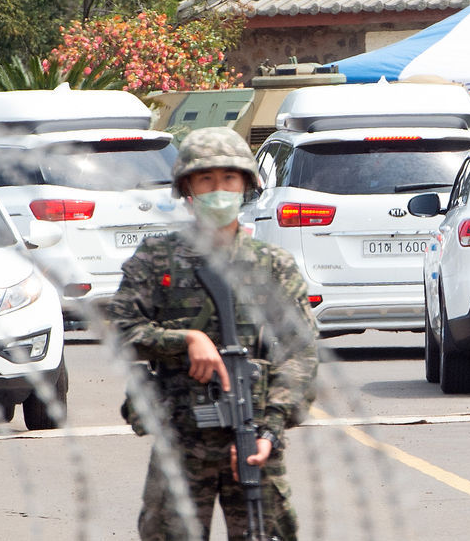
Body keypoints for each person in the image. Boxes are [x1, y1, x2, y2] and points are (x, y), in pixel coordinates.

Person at [108, 127, 318, 540]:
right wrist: (185, 341)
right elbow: (122, 329)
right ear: (187, 188)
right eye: (205, 179)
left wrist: (270, 432)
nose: (218, 189)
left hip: (254, 438)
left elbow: (300, 355)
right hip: (183, 439)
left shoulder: (272, 265)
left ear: (245, 186)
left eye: (228, 178)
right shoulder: (157, 258)